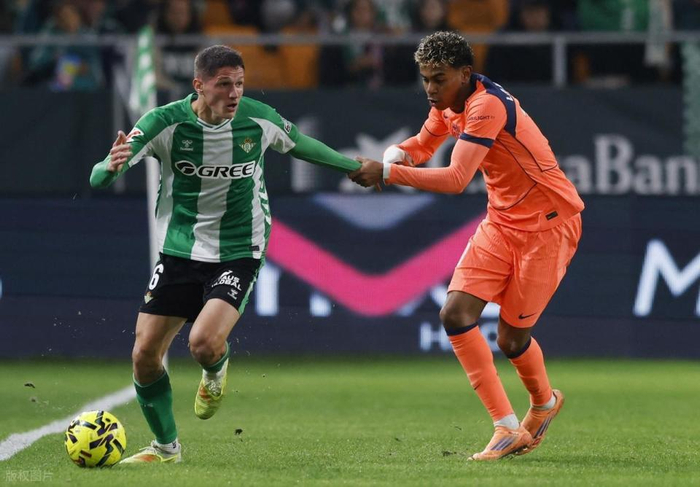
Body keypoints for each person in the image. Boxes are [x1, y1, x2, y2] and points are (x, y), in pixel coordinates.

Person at [90, 45, 360, 464]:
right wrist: (109, 168)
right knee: (144, 354)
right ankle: (166, 448)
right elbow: (99, 177)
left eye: (239, 84)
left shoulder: (258, 119)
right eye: (223, 85)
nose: (234, 93)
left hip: (239, 248)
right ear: (198, 85)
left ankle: (215, 370)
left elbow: (301, 144)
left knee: (203, 343)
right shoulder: (164, 123)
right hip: (180, 249)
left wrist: (352, 167)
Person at [348, 31, 584, 461]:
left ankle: (544, 403)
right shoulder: (448, 104)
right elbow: (422, 145)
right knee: (455, 314)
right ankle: (506, 427)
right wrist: (396, 154)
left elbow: (457, 179)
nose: (431, 88)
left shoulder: (487, 106)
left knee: (512, 339)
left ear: (464, 73)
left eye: (439, 78)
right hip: (501, 222)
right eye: (425, 79)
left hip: (548, 226)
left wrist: (387, 173)